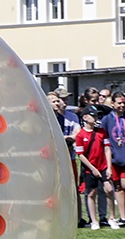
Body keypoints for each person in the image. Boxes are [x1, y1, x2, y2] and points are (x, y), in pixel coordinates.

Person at [100, 91, 125, 226]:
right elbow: (104, 138)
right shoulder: (107, 119)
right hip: (113, 158)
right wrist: (109, 155)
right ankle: (123, 218)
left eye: (124, 103)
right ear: (112, 104)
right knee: (117, 187)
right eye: (119, 103)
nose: (122, 105)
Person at [74, 105, 113, 230]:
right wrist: (92, 168)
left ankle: (111, 217)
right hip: (90, 168)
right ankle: (94, 220)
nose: (96, 118)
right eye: (93, 115)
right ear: (85, 117)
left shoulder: (101, 132)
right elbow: (81, 155)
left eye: (97, 115)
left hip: (102, 166)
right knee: (91, 193)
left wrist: (109, 167)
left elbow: (107, 149)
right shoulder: (81, 135)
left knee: (109, 189)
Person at [48, 91, 82, 226]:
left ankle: (77, 219)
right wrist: (65, 140)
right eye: (56, 101)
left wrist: (65, 140)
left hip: (69, 159)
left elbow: (76, 134)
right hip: (52, 161)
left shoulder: (71, 117)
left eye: (59, 100)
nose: (60, 103)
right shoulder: (47, 118)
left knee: (72, 189)